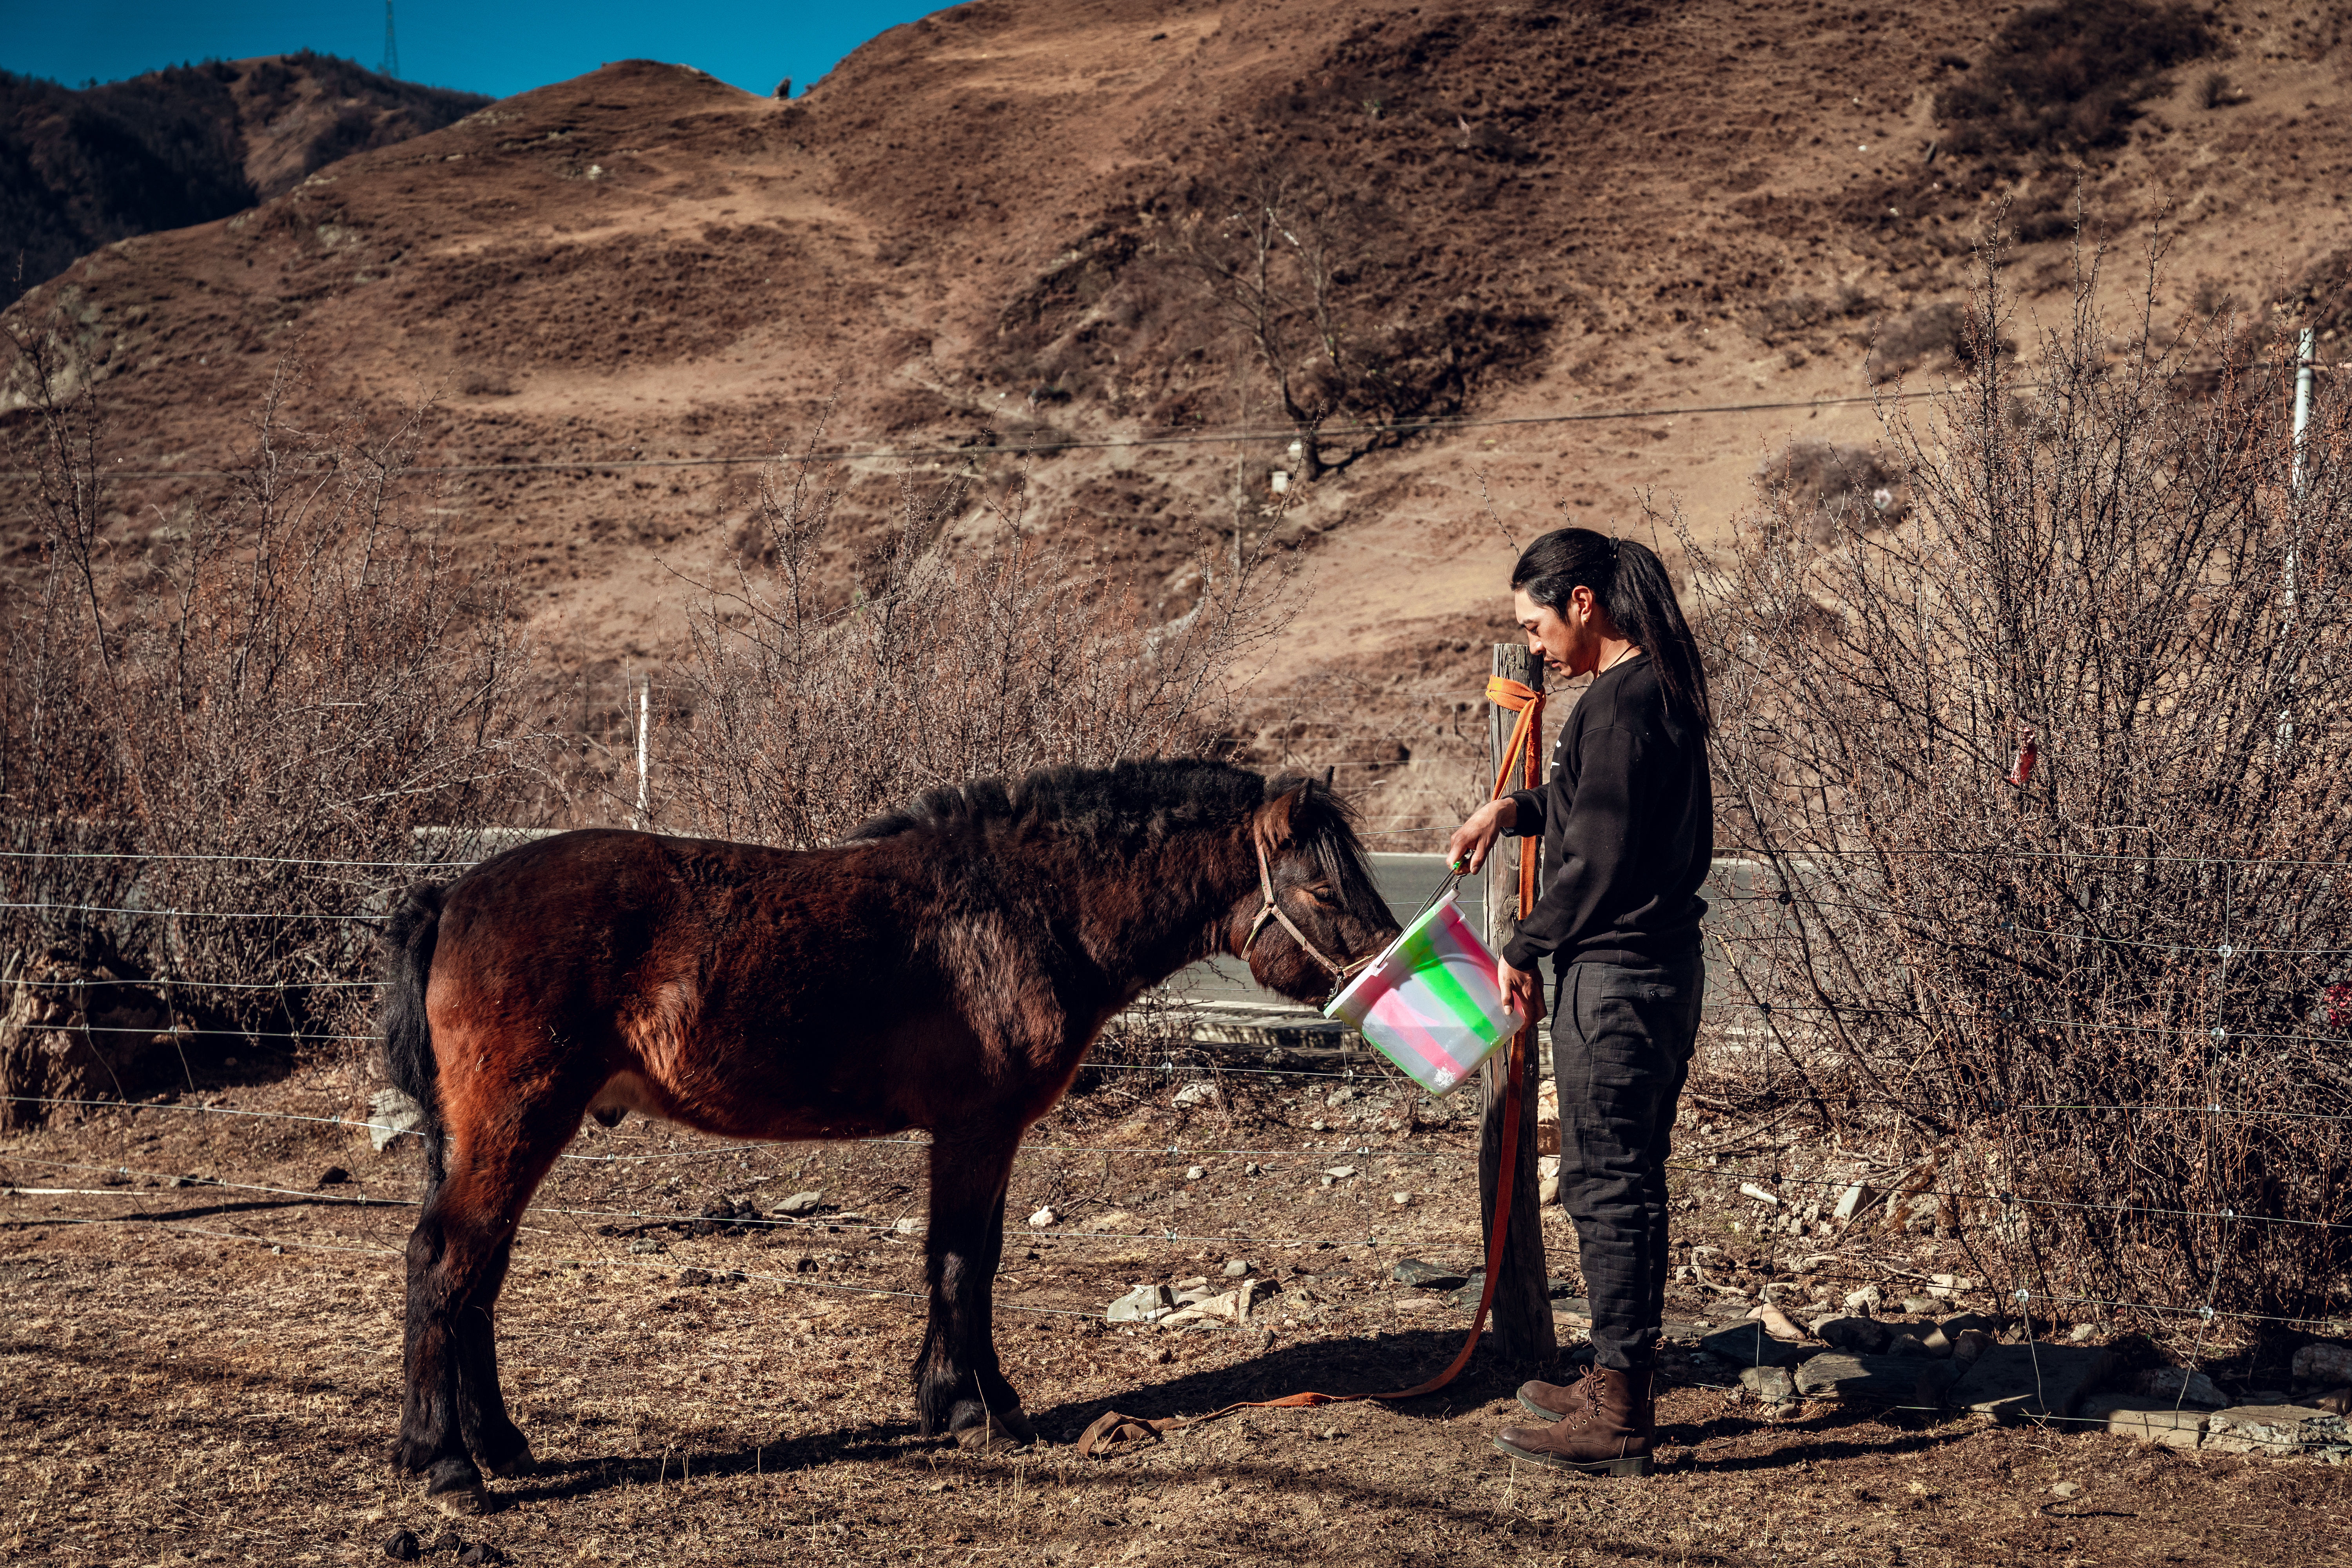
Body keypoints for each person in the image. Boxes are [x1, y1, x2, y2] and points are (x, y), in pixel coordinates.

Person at [1445, 527, 1711, 1477]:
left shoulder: (1619, 701)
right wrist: (1508, 809)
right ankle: (1616, 1376)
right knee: (1624, 1178)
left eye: (1536, 623)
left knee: (1610, 1185)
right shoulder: (1656, 691)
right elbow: (1591, 808)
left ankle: (1619, 1408)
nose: (1534, 646)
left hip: (1617, 980)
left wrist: (1522, 945)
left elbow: (1598, 858)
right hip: (1656, 970)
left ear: (1584, 603)